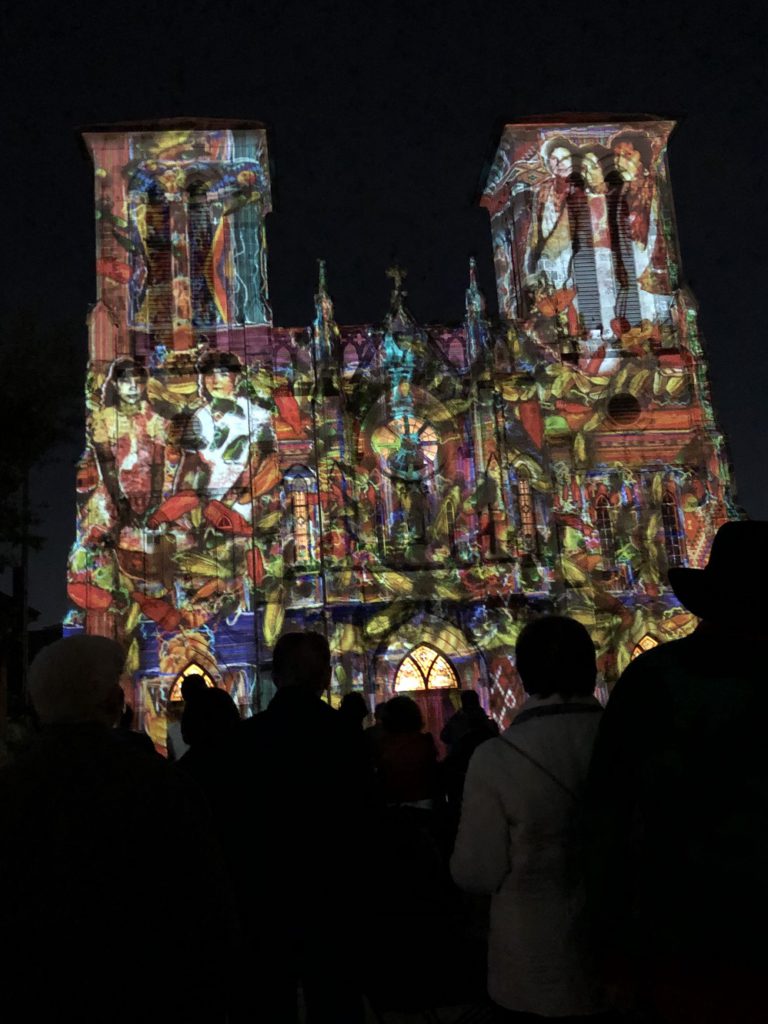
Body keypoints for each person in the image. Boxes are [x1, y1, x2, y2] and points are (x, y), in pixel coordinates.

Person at [0, 636, 236, 1023]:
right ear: (112, 703)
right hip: (142, 990)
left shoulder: (10, 788)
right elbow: (204, 910)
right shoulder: (160, 786)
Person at [587, 520, 768, 1024]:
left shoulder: (653, 678)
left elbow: (608, 815)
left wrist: (611, 947)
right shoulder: (657, 677)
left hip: (682, 938)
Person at [451, 616, 612, 1022]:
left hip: (535, 965)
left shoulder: (496, 758)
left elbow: (477, 872)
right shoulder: (628, 740)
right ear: (593, 668)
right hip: (624, 953)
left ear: (522, 676)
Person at [229, 631, 371, 1023]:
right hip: (332, 895)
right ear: (325, 678)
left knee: (271, 1001)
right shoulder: (346, 736)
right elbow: (363, 820)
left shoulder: (246, 738)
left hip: (266, 896)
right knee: (336, 999)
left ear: (275, 677)